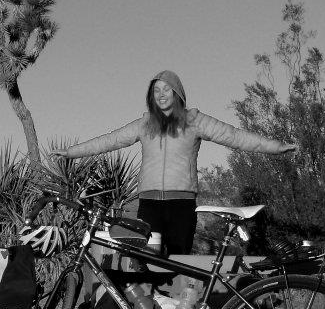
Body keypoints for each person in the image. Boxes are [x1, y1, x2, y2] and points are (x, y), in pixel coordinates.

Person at [51, 70, 296, 255]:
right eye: (156, 90)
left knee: (179, 262)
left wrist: (275, 146)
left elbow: (234, 136)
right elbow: (109, 140)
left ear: (177, 93)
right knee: (146, 262)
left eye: (166, 89)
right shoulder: (144, 124)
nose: (161, 95)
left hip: (181, 204)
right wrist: (71, 152)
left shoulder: (195, 121)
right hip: (148, 204)